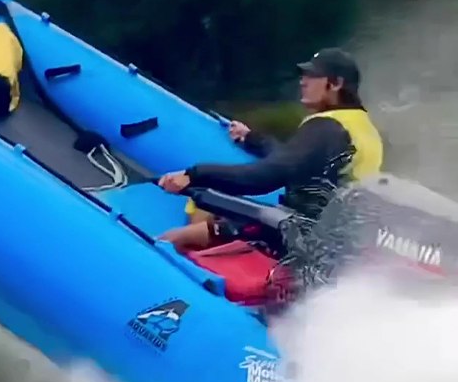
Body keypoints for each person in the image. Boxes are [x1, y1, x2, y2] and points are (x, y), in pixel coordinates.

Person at [157, 47, 384, 253]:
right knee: (211, 212)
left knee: (172, 239)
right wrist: (252, 138)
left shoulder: (327, 126)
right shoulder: (362, 128)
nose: (303, 82)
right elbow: (292, 160)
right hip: (326, 240)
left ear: (335, 84)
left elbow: (264, 177)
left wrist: (194, 175)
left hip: (292, 236)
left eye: (312, 76)